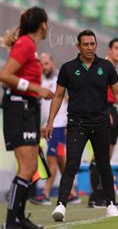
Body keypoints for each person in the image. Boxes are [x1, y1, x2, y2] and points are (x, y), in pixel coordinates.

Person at [47, 29, 118, 221]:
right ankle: (61, 205)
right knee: (72, 164)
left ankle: (111, 205)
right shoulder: (68, 68)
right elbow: (59, 96)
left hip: (101, 123)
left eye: (92, 44)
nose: (89, 47)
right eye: (85, 44)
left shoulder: (106, 66)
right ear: (78, 46)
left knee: (104, 164)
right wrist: (50, 122)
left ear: (96, 45)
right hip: (76, 124)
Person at [0, 6, 53, 229]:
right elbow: (4, 76)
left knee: (29, 168)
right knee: (27, 167)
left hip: (26, 109)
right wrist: (35, 87)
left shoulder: (29, 46)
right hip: (18, 108)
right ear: (43, 24)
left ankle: (17, 219)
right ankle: (13, 220)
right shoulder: (25, 44)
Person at [29, 54, 80, 206]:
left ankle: (45, 194)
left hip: (61, 125)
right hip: (50, 126)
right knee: (59, 159)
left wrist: (69, 123)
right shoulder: (40, 81)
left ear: (52, 62)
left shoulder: (61, 78)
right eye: (42, 64)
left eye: (46, 63)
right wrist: (43, 124)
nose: (44, 67)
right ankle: (71, 193)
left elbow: (71, 99)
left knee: (52, 157)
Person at [88, 37, 118, 208]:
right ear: (109, 50)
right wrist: (103, 110)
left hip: (112, 109)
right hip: (103, 110)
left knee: (106, 157)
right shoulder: (101, 66)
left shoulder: (112, 68)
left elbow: (117, 93)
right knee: (99, 156)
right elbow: (93, 89)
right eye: (117, 48)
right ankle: (94, 197)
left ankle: (105, 196)